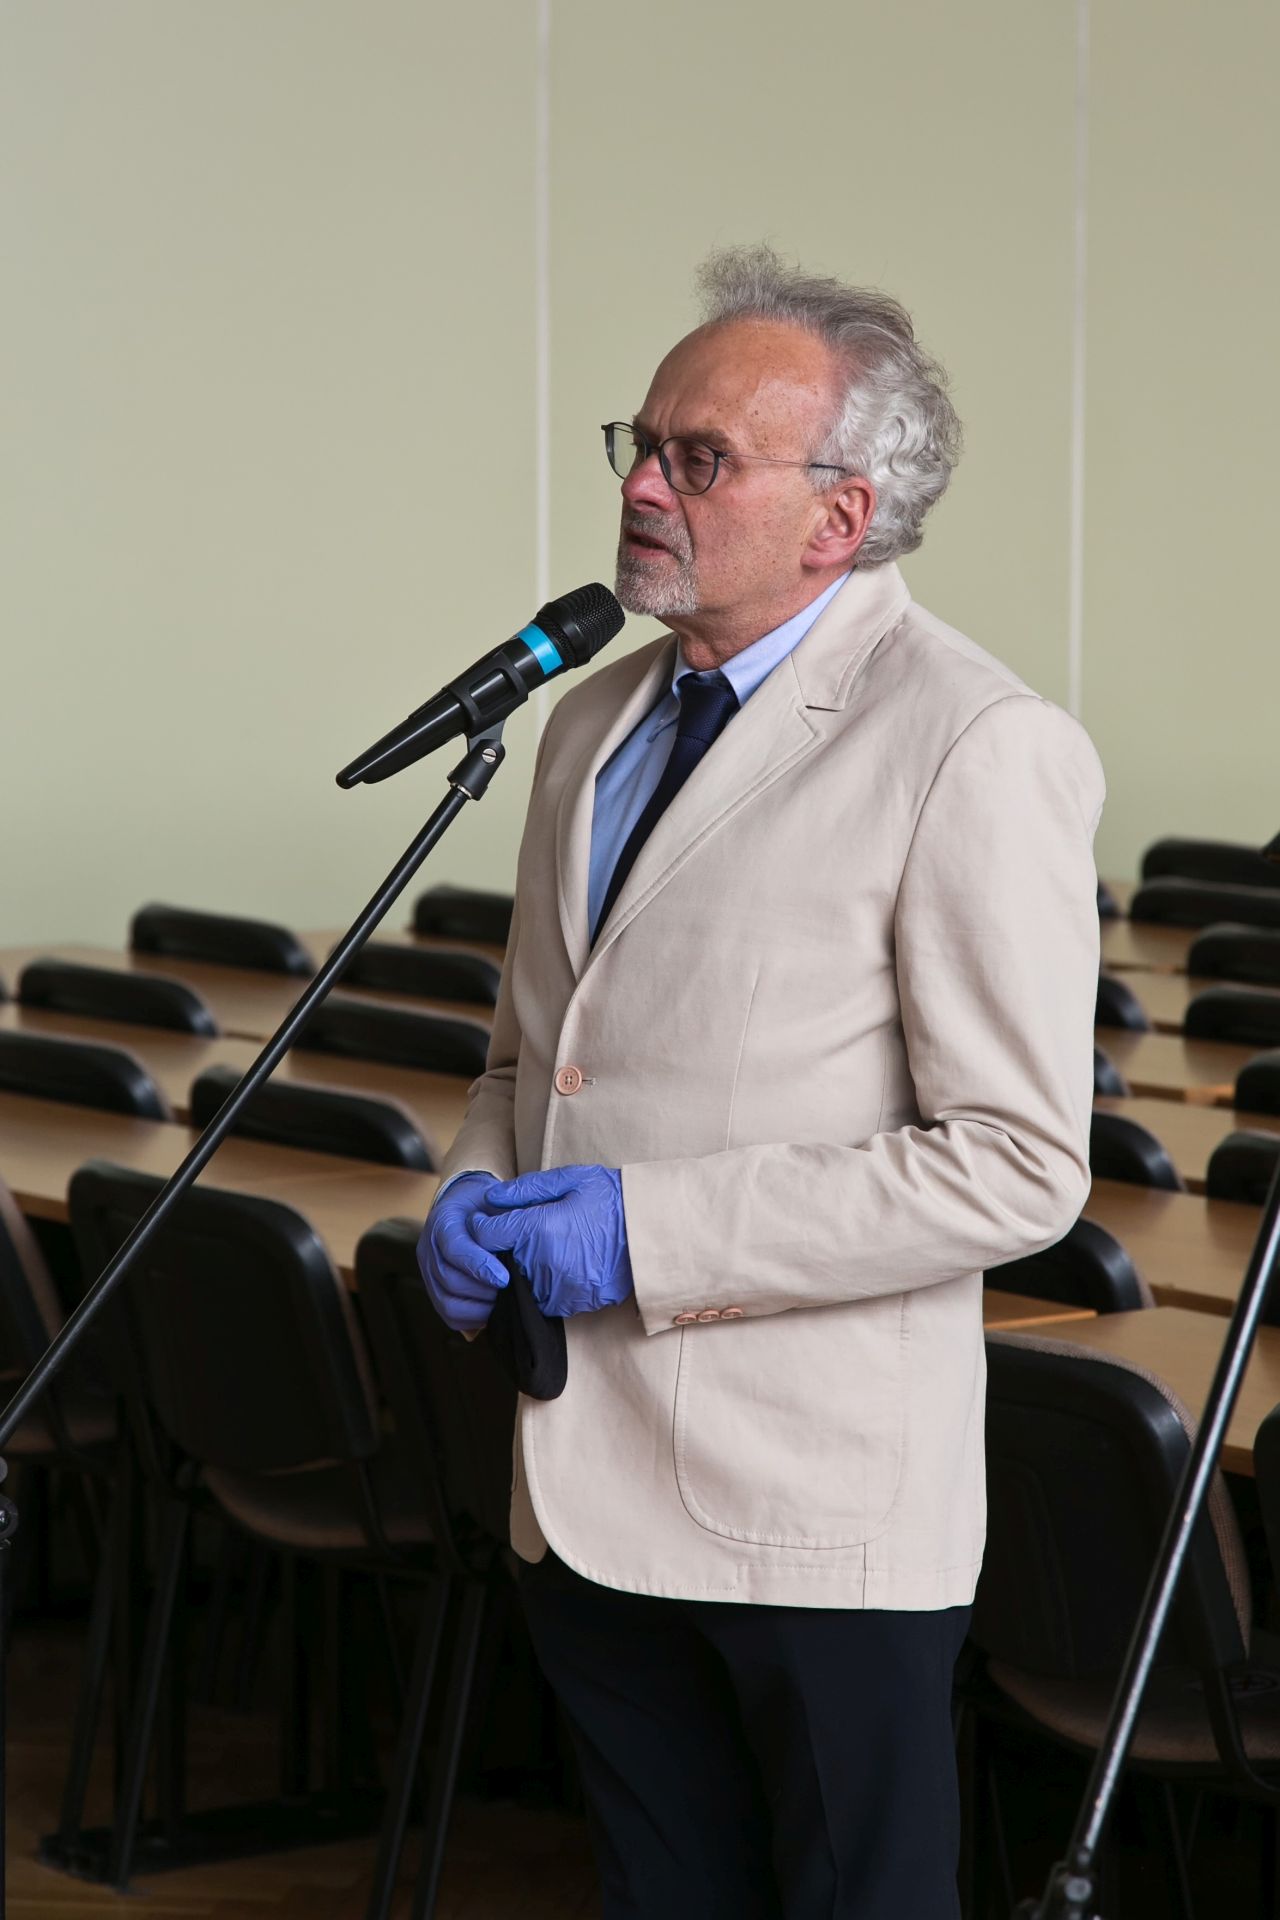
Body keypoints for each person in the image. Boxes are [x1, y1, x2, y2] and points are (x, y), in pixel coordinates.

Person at [417, 244, 1104, 1919]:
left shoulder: (971, 740)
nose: (643, 487)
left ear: (838, 517)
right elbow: (530, 1056)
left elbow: (1017, 1164)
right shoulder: (587, 722)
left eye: (700, 458)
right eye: (640, 444)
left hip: (813, 1507)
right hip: (579, 1473)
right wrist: (471, 1177)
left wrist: (643, 1235)